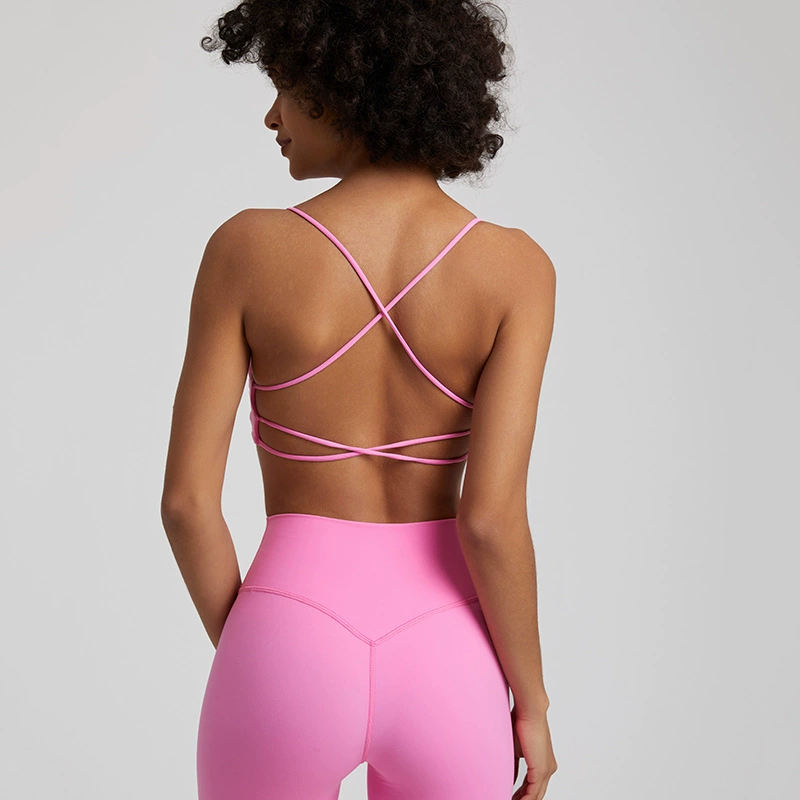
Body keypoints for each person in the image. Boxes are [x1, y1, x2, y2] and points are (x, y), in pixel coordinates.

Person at [161, 1, 558, 798]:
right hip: (450, 654)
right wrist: (533, 704)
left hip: (286, 627)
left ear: (348, 86)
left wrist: (261, 650)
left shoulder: (246, 249)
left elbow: (187, 505)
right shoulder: (517, 270)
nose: (272, 117)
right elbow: (490, 520)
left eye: (286, 87)